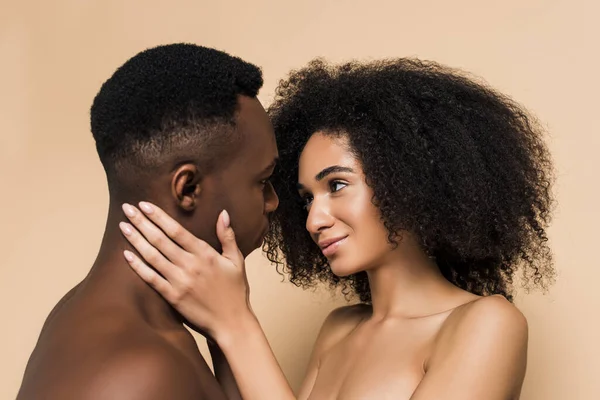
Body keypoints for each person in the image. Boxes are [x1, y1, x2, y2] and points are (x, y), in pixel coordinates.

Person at [119, 58, 555, 399]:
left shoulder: (486, 324)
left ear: (411, 179)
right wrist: (219, 323)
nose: (313, 219)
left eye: (338, 185)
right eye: (307, 197)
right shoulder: (339, 328)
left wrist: (237, 322)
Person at [17, 43, 279, 400]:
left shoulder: (77, 315)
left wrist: (229, 326)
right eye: (262, 181)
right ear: (188, 188)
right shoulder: (146, 372)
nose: (273, 201)